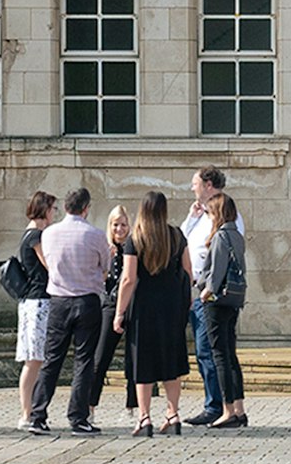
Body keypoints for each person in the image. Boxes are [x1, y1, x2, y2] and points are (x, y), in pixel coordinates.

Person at [25, 186, 114, 434]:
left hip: (59, 301)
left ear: (65, 207)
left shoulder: (49, 234)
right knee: (84, 361)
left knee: (52, 360)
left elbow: (50, 265)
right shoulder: (95, 235)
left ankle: (37, 415)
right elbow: (105, 268)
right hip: (87, 301)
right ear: (86, 209)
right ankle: (78, 417)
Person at [112, 189, 196, 436]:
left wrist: (119, 313)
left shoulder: (135, 239)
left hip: (144, 308)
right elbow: (188, 270)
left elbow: (128, 279)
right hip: (171, 307)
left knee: (143, 363)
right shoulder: (176, 235)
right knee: (171, 360)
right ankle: (173, 413)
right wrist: (186, 299)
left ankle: (144, 417)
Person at [184, 167, 248, 426]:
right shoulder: (203, 216)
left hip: (211, 296)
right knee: (216, 353)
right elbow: (183, 239)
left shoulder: (223, 227)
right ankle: (229, 408)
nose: (192, 188)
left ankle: (221, 407)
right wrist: (191, 218)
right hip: (209, 293)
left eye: (195, 183)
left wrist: (205, 291)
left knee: (214, 353)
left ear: (208, 184)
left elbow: (220, 264)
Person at [10, 190, 61, 431]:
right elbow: (49, 264)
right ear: (44, 209)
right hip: (38, 302)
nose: (55, 214)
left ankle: (29, 411)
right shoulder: (35, 236)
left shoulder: (31, 233)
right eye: (53, 209)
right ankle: (27, 412)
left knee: (35, 359)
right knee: (35, 359)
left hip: (34, 302)